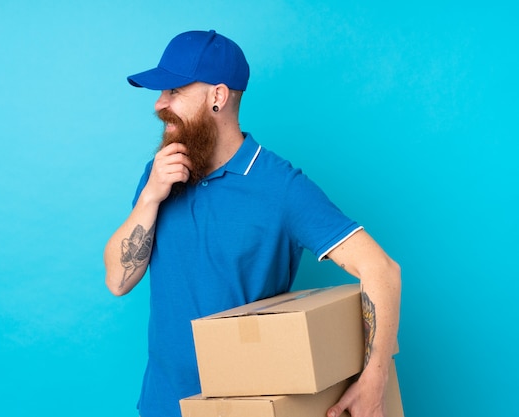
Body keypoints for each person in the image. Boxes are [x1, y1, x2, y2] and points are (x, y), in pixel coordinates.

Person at [104, 29, 401, 417]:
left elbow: (381, 269)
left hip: (244, 408)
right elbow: (118, 281)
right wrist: (150, 196)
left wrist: (373, 381)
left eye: (174, 91)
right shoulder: (160, 173)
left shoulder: (280, 187)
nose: (160, 104)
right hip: (161, 405)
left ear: (218, 96)